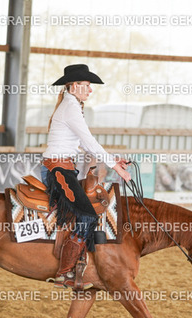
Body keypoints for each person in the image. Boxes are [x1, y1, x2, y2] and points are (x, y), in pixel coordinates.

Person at [41, 64, 131, 290]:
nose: (90, 90)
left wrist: (112, 159)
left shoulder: (70, 106)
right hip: (59, 170)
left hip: (63, 168)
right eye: (87, 85)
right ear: (74, 87)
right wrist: (115, 166)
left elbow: (82, 142)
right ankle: (64, 272)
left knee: (84, 211)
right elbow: (89, 140)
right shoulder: (70, 107)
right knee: (88, 215)